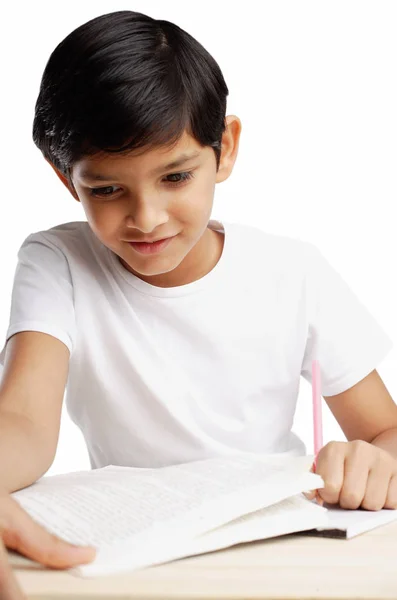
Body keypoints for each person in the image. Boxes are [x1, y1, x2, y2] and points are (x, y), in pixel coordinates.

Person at [1, 9, 397, 597]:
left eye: (176, 177)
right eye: (106, 189)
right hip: (141, 554)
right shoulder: (57, 260)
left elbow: (385, 428)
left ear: (226, 148)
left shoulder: (293, 271)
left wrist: (374, 461)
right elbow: (26, 421)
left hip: (280, 546)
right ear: (66, 178)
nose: (146, 218)